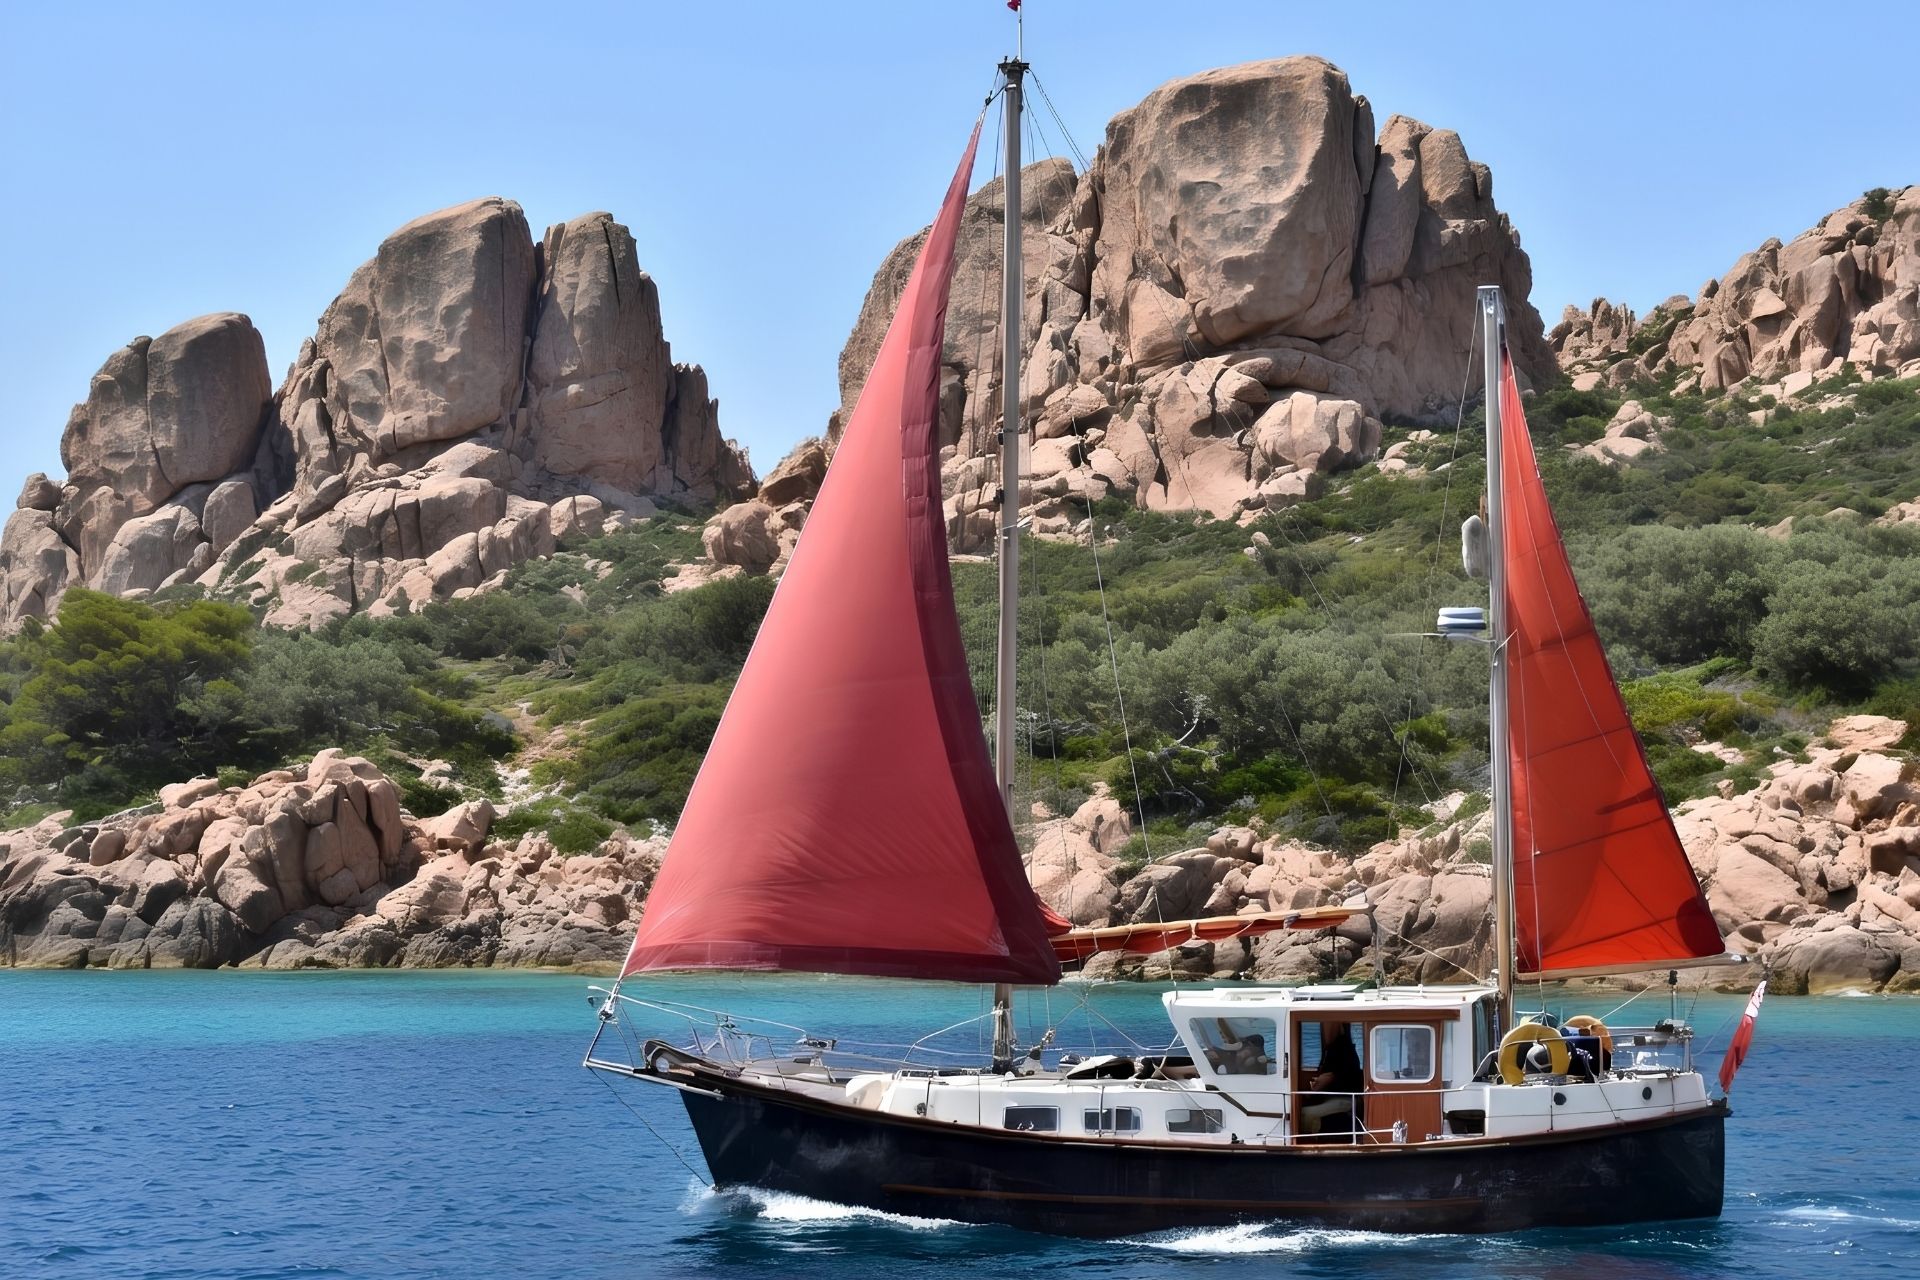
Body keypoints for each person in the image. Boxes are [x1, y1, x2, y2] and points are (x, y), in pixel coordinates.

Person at [1298, 1021, 1363, 1135]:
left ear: (1339, 1028)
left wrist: (1317, 1086)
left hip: (1347, 1098)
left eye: (1327, 1027)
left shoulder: (1340, 1048)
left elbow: (1330, 1077)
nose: (1325, 1032)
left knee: (1304, 1113)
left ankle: (1310, 1140)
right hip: (1341, 1095)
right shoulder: (1336, 1047)